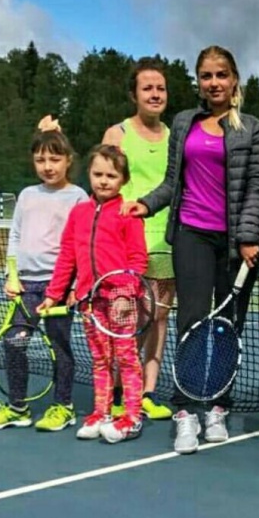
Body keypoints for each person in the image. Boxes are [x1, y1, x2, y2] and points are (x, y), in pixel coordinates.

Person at [125, 46, 259, 454]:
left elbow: (256, 187)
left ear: (234, 79)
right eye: (206, 76)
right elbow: (172, 182)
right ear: (199, 82)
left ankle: (219, 406)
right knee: (190, 323)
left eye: (221, 75)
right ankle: (186, 409)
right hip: (191, 234)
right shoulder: (184, 122)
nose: (214, 83)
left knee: (227, 326)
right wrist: (146, 204)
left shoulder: (253, 129)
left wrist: (247, 237)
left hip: (236, 244)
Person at [0, 117, 88, 431]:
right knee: (14, 343)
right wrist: (11, 275)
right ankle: (18, 408)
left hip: (58, 287)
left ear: (68, 160)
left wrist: (75, 286)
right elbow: (15, 235)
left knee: (60, 347)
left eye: (54, 159)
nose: (47, 166)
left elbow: (82, 244)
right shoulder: (26, 195)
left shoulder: (79, 197)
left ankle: (63, 406)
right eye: (40, 160)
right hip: (25, 286)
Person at [38, 145, 149, 443]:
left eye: (111, 176)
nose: (103, 181)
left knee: (126, 358)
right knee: (100, 359)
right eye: (98, 174)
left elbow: (138, 259)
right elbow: (67, 257)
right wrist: (53, 294)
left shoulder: (128, 215)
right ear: (88, 173)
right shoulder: (79, 213)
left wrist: (126, 294)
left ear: (123, 179)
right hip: (89, 301)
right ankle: (101, 413)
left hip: (120, 299)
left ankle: (132, 416)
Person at [103, 57, 174, 421]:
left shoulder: (176, 137)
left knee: (159, 318)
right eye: (147, 88)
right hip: (128, 243)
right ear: (134, 95)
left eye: (160, 88)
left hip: (166, 243)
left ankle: (148, 392)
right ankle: (119, 391)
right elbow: (104, 185)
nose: (155, 94)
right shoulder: (117, 134)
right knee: (128, 319)